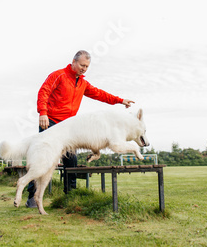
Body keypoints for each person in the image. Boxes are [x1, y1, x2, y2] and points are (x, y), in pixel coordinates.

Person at [25, 50, 134, 208]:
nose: (84, 68)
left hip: (69, 128)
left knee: (72, 160)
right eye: (82, 65)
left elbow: (99, 94)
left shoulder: (82, 83)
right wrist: (43, 112)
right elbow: (44, 92)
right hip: (51, 123)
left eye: (87, 67)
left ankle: (70, 195)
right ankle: (32, 198)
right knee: (43, 160)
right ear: (74, 62)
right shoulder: (59, 75)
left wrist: (120, 100)